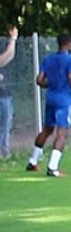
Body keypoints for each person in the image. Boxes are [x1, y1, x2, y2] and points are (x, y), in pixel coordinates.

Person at [26, 33, 71, 177]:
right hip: (64, 100)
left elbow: (39, 80)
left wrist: (51, 84)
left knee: (47, 129)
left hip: (51, 98)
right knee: (62, 131)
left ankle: (33, 161)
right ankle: (53, 167)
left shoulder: (48, 59)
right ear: (69, 44)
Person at [0, 26, 17, 159]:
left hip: (4, 94)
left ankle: (4, 152)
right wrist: (13, 39)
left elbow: (9, 55)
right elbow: (7, 55)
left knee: (5, 125)